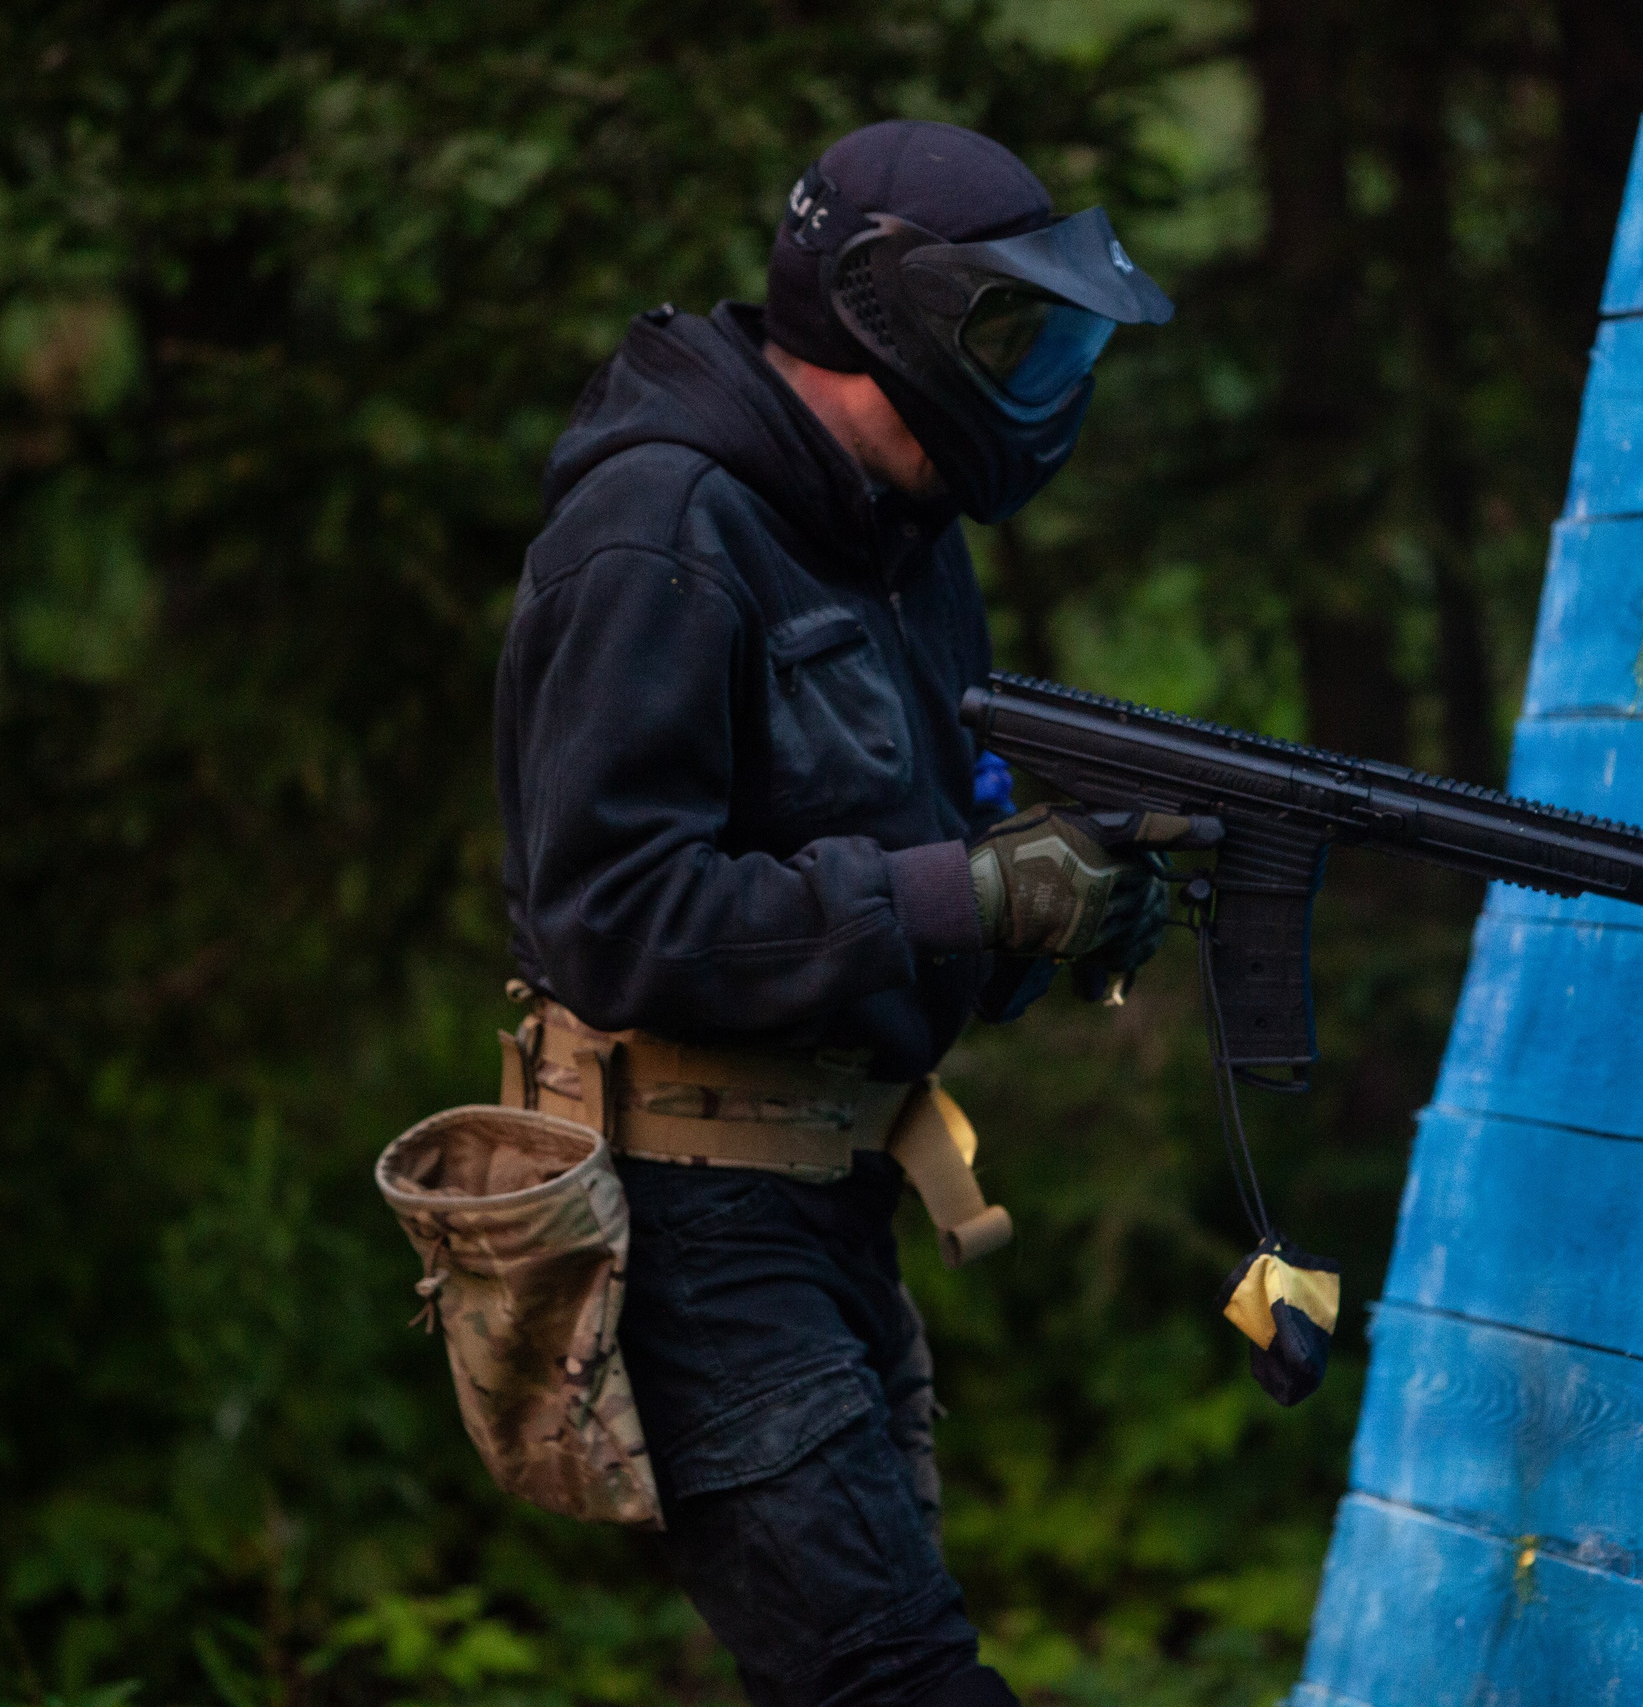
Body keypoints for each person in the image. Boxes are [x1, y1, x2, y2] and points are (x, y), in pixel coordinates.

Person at [491, 120, 1174, 1707]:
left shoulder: (900, 540)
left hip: (829, 1197)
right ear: (885, 317)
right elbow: (611, 915)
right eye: (1012, 338)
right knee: (899, 1683)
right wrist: (973, 890)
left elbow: (915, 886)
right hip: (688, 1211)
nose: (1041, 386)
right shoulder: (661, 531)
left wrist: (1043, 915)